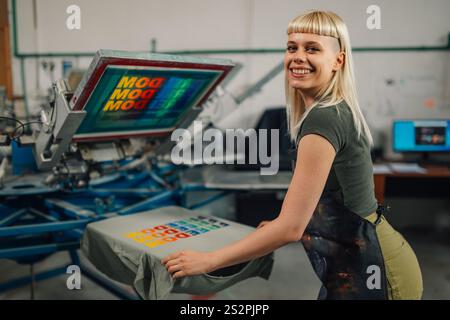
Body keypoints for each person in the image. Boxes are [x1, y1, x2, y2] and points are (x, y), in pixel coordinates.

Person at [162, 10, 423, 300]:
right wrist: (279, 222)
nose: (298, 56)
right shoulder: (328, 111)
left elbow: (291, 229)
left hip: (376, 270)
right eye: (292, 47)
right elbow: (306, 209)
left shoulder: (324, 119)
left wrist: (208, 261)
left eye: (312, 48)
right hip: (352, 262)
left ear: (339, 60)